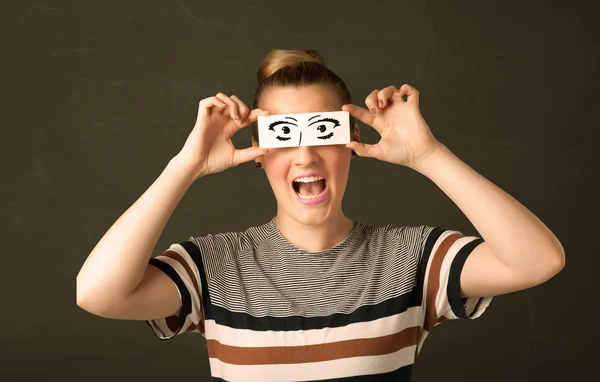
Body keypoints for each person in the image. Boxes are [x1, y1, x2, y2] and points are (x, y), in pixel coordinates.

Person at [76, 49, 565, 381]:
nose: (306, 156)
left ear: (351, 145)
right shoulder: (215, 266)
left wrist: (428, 154)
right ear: (260, 152)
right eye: (285, 136)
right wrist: (185, 167)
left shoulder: (413, 259)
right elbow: (97, 294)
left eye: (324, 132)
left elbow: (538, 261)